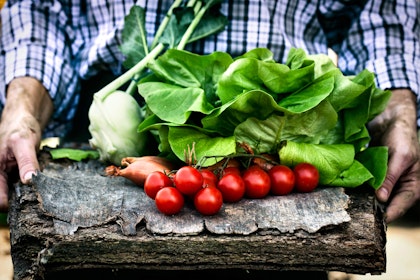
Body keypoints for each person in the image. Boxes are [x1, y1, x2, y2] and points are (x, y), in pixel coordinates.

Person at [0, 0, 419, 226]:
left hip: (288, 157)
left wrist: (398, 111)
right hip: (107, 145)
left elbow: (379, 13)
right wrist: (21, 107)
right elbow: (39, 9)